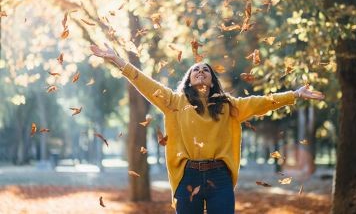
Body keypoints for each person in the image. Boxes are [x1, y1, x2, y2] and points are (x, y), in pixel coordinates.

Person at [90, 43, 325, 214]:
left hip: (219, 177)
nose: (201, 71)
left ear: (212, 80)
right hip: (188, 176)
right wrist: (116, 59)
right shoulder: (174, 102)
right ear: (189, 79)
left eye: (206, 70)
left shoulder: (229, 105)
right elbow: (144, 83)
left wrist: (294, 94)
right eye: (195, 69)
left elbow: (262, 101)